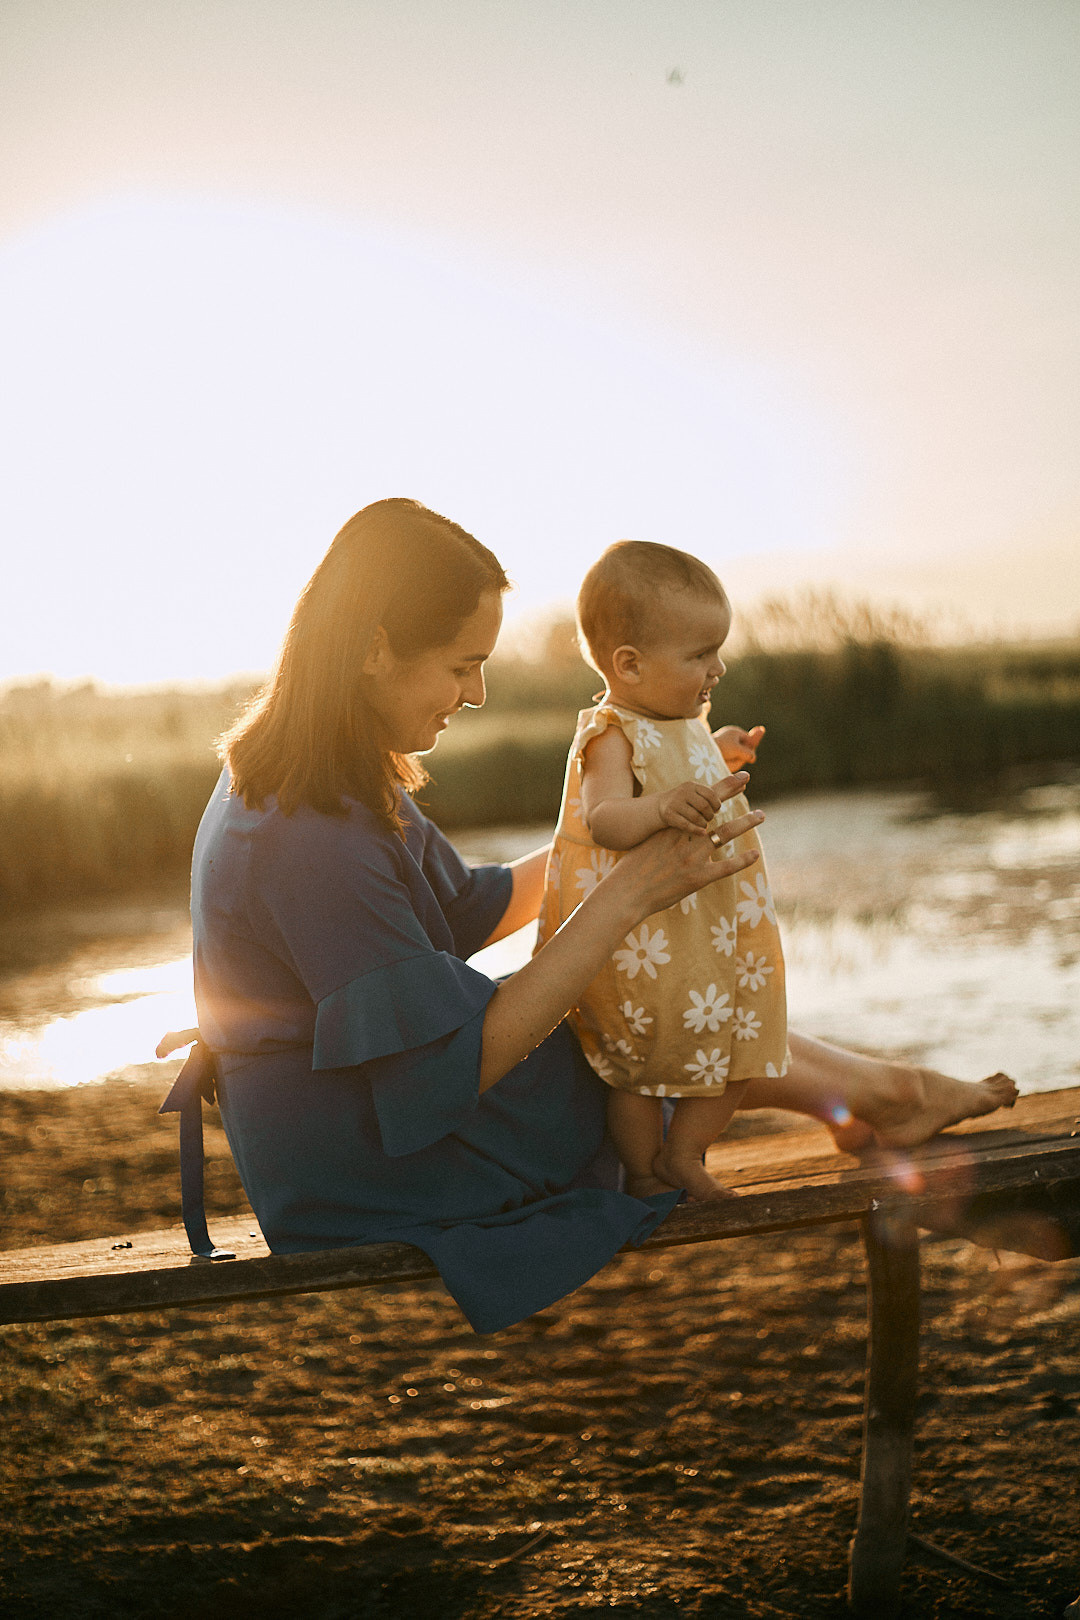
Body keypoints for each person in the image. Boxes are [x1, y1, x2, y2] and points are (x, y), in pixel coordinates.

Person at [159, 498, 1016, 1337]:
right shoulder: (308, 829)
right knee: (637, 1012)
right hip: (368, 1165)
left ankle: (879, 1094)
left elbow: (465, 909)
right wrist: (627, 894)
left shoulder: (321, 774)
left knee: (647, 996)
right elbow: (443, 1075)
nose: (478, 692)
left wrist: (642, 804)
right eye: (461, 665)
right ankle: (884, 1094)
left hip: (368, 1119)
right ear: (377, 646)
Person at [536, 540, 786, 1200]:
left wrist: (718, 748)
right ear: (630, 664)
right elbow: (605, 819)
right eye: (700, 654)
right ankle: (646, 1172)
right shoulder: (611, 732)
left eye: (717, 651)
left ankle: (683, 1154)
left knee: (747, 1042)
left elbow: (680, 758)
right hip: (653, 943)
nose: (718, 667)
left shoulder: (684, 719)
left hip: (716, 929)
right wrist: (660, 806)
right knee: (640, 1068)